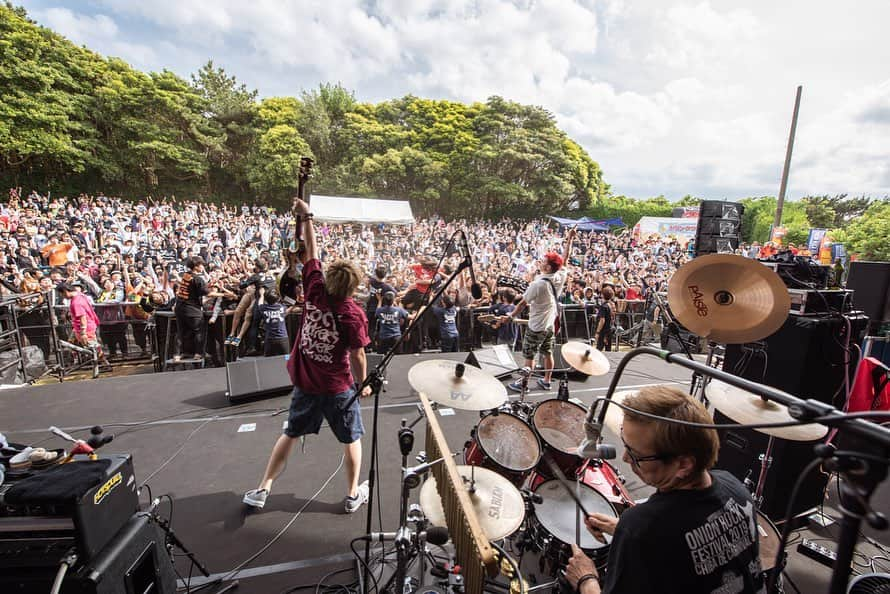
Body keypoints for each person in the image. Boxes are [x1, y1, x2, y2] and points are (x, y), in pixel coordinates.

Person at [565, 386, 763, 594]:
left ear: (684, 465)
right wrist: (622, 529)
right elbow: (690, 545)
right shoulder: (735, 488)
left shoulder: (641, 528)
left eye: (636, 454)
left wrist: (586, 579)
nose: (624, 458)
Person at [244, 197, 372, 513]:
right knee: (351, 438)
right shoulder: (353, 314)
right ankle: (353, 494)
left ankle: (262, 489)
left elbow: (312, 252)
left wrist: (308, 216)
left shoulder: (314, 288)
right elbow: (357, 355)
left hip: (306, 382)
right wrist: (363, 383)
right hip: (337, 387)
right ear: (353, 288)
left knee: (290, 433)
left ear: (329, 279)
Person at [506, 227, 575, 391]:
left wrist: (510, 316)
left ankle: (523, 384)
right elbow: (565, 259)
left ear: (549, 268)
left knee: (530, 356)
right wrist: (570, 239)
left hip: (536, 325)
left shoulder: (537, 285)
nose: (540, 262)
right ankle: (547, 380)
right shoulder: (559, 275)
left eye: (543, 261)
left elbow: (522, 303)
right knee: (547, 352)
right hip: (549, 324)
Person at [57, 281, 111, 371]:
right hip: (80, 327)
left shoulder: (76, 302)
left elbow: (83, 318)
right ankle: (76, 361)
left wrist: (83, 332)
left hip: (85, 328)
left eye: (62, 294)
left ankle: (105, 364)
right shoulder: (80, 295)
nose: (63, 297)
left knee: (93, 347)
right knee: (71, 343)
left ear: (65, 291)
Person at [173, 256, 208, 362]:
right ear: (196, 266)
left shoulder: (186, 275)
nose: (203, 267)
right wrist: (222, 293)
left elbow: (195, 289)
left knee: (180, 332)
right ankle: (198, 353)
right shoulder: (198, 279)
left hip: (180, 307)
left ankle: (177, 354)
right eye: (201, 265)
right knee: (199, 331)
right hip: (192, 309)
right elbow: (206, 292)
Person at [257, 287, 289, 356]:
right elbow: (291, 302)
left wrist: (262, 295)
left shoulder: (263, 308)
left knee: (268, 359)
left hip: (269, 339)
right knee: (287, 357)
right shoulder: (282, 307)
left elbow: (259, 303)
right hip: (283, 338)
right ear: (278, 299)